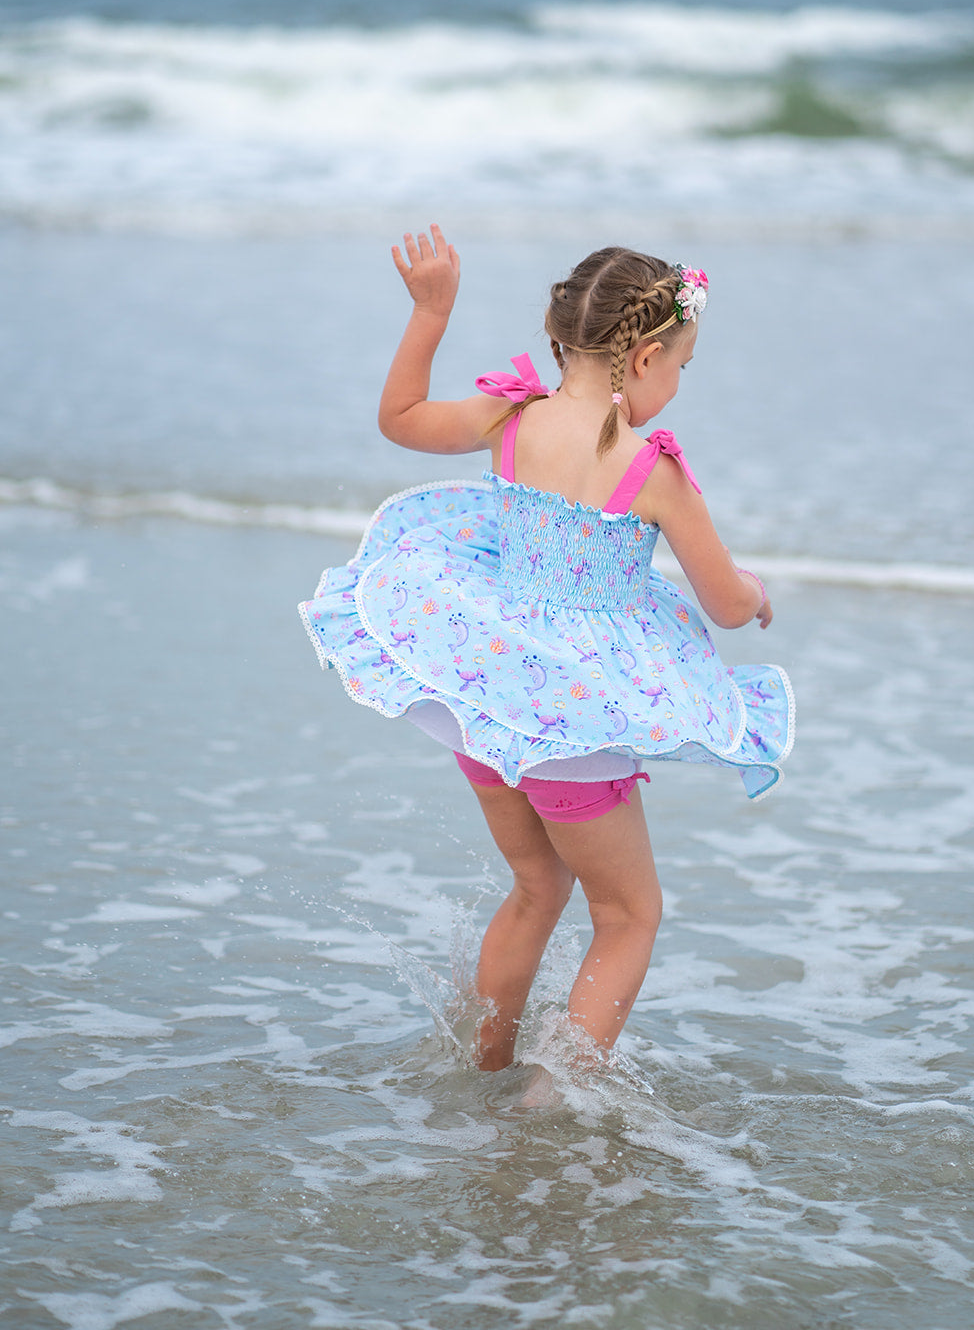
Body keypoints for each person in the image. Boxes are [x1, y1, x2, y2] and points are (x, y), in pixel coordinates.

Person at [300, 225, 793, 1072]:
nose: (676, 383)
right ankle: (553, 1099)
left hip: (484, 702)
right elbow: (721, 600)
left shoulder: (510, 415)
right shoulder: (651, 471)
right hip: (574, 728)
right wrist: (753, 592)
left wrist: (430, 312)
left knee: (537, 887)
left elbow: (400, 419)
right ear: (641, 358)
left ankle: (484, 1063)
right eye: (679, 364)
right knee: (629, 916)